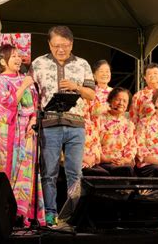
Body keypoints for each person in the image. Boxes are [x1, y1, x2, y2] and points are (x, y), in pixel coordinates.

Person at [31, 26, 95, 226]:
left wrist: (76, 87)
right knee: (49, 172)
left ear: (72, 44)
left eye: (65, 46)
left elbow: (92, 95)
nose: (61, 49)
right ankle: (50, 214)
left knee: (75, 173)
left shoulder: (82, 64)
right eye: (56, 45)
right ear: (49, 44)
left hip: (76, 125)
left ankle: (73, 214)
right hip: (49, 124)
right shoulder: (38, 63)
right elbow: (30, 95)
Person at [0, 44, 45, 227]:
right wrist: (24, 85)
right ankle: (4, 212)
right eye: (13, 56)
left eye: (19, 55)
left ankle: (23, 214)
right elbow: (8, 103)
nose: (18, 59)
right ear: (2, 61)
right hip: (8, 133)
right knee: (8, 171)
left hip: (27, 134)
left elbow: (35, 105)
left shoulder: (25, 79)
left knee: (25, 173)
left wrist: (33, 122)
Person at [83, 87, 136, 176]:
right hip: (103, 160)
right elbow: (94, 141)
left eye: (124, 101)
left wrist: (125, 160)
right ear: (111, 101)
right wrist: (105, 158)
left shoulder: (129, 124)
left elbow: (131, 146)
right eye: (118, 100)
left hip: (121, 162)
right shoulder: (100, 119)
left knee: (127, 170)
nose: (121, 103)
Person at [83, 60, 113, 168]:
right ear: (94, 75)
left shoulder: (114, 92)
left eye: (107, 71)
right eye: (101, 71)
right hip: (95, 129)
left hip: (111, 129)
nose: (105, 74)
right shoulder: (90, 92)